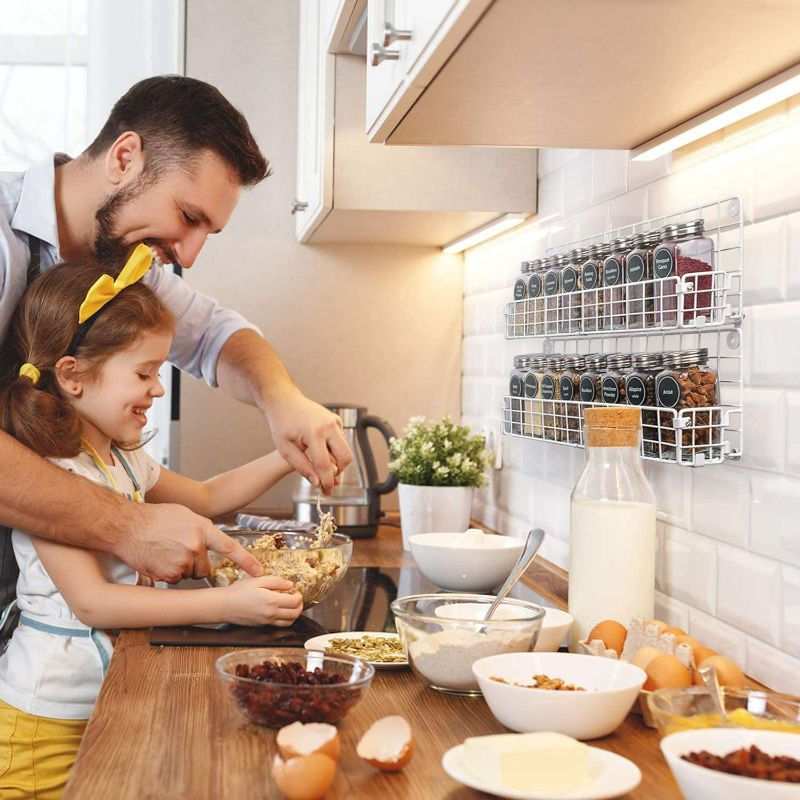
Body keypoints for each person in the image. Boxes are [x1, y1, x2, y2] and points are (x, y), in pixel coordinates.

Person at [0, 75, 352, 607]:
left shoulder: (122, 264)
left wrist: (283, 402)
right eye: (188, 218)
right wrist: (127, 525)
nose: (188, 257)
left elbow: (217, 335)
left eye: (206, 232)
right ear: (125, 158)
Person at [0, 247, 305, 798]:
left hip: (101, 700)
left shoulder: (121, 457)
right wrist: (228, 605)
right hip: (42, 724)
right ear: (72, 375)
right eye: (144, 373)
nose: (157, 389)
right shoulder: (49, 471)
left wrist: (287, 452)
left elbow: (207, 497)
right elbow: (95, 602)